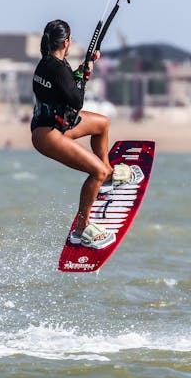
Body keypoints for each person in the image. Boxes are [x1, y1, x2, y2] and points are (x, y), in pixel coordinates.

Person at [30, 19, 130, 249]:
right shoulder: (55, 67)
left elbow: (63, 87)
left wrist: (80, 72)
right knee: (96, 170)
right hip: (48, 135)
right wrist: (85, 77)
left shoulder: (49, 63)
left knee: (102, 124)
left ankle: (106, 178)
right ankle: (81, 229)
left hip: (58, 124)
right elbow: (76, 100)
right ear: (66, 41)